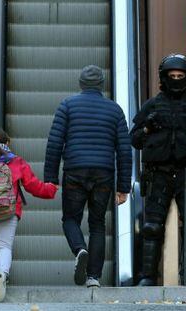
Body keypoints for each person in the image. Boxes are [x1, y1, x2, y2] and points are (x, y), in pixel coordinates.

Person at [130, 53, 186, 286]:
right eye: (172, 76)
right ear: (164, 77)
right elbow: (135, 139)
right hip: (158, 173)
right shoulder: (152, 105)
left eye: (181, 76)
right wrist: (148, 128)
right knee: (151, 226)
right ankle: (148, 277)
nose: (176, 79)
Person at [44, 65, 132, 288]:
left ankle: (79, 248)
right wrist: (123, 187)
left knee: (70, 219)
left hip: (75, 171)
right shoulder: (115, 110)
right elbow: (124, 149)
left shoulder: (67, 106)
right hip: (103, 173)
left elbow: (55, 143)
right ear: (101, 85)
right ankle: (93, 277)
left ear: (81, 83)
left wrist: (50, 178)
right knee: (98, 224)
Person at [0, 128, 58, 302]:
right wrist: (51, 189)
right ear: (7, 143)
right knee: (5, 245)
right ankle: (2, 275)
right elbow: (33, 185)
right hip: (8, 210)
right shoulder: (15, 162)